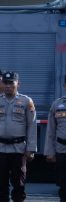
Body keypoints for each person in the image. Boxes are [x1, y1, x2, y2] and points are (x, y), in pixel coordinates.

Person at [0, 72, 36, 202]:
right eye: (5, 83)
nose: (8, 86)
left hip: (18, 150)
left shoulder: (26, 101)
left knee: (18, 185)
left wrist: (31, 149)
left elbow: (32, 126)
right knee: (0, 185)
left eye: (11, 83)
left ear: (18, 84)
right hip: (0, 149)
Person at [46, 74, 66, 202]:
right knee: (63, 185)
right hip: (62, 150)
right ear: (64, 86)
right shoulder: (57, 104)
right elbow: (50, 131)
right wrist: (50, 151)